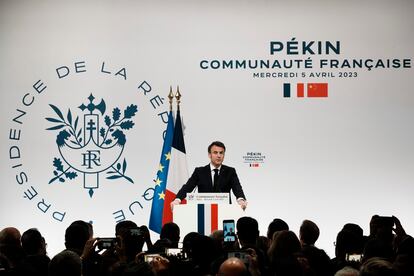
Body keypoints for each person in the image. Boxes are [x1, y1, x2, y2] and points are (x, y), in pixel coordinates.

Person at [170, 141, 247, 210]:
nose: (219, 156)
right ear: (209, 155)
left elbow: (237, 188)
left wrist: (241, 199)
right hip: (204, 212)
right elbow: (188, 187)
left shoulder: (230, 171)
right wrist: (177, 200)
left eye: (221, 153)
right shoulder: (199, 171)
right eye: (215, 152)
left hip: (224, 211)